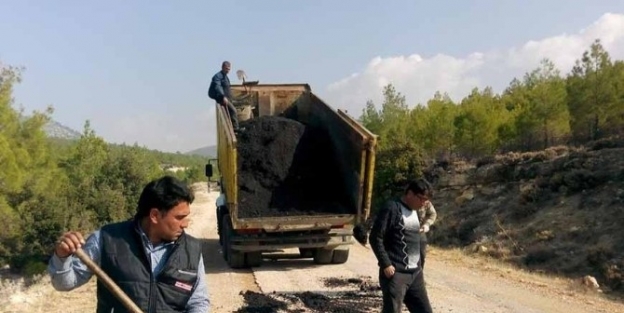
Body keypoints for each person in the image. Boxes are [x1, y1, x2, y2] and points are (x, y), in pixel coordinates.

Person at [47, 175, 210, 313]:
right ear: (154, 215)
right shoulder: (107, 239)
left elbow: (198, 303)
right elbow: (64, 283)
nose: (186, 224)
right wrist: (62, 256)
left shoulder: (192, 250)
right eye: (179, 218)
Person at [369, 178, 434, 313]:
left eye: (425, 200)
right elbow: (376, 237)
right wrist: (386, 263)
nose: (423, 203)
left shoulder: (414, 210)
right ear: (409, 193)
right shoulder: (392, 208)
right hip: (396, 274)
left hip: (415, 274)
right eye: (421, 199)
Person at [208, 61, 242, 133]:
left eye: (229, 69)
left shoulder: (225, 77)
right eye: (226, 69)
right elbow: (218, 87)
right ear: (222, 67)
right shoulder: (217, 76)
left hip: (227, 98)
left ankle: (233, 127)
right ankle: (236, 128)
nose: (228, 70)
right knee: (233, 110)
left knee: (232, 111)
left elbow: (227, 88)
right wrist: (223, 96)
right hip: (221, 98)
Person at [417, 199, 437, 268]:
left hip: (419, 231)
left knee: (421, 256)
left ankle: (419, 275)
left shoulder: (426, 201)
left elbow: (433, 214)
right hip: (405, 231)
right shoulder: (406, 199)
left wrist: (427, 224)